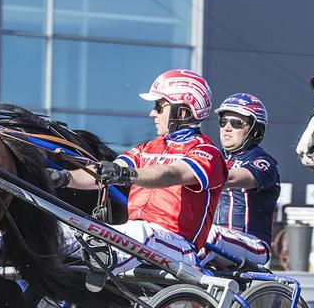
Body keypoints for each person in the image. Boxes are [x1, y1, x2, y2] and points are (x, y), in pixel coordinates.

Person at [50, 69, 228, 275]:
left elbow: (170, 174)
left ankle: (100, 261)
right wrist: (62, 178)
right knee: (63, 229)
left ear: (183, 112)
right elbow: (101, 174)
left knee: (141, 232)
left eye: (159, 106)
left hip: (177, 246)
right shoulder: (146, 148)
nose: (152, 113)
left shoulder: (207, 153)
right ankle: (10, 248)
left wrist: (127, 175)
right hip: (133, 239)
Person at [204, 94, 280, 267]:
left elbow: (229, 177)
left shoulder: (264, 162)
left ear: (255, 130)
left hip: (253, 244)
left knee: (209, 235)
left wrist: (188, 174)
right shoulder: (212, 157)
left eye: (236, 123)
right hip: (216, 241)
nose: (227, 128)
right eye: (223, 122)